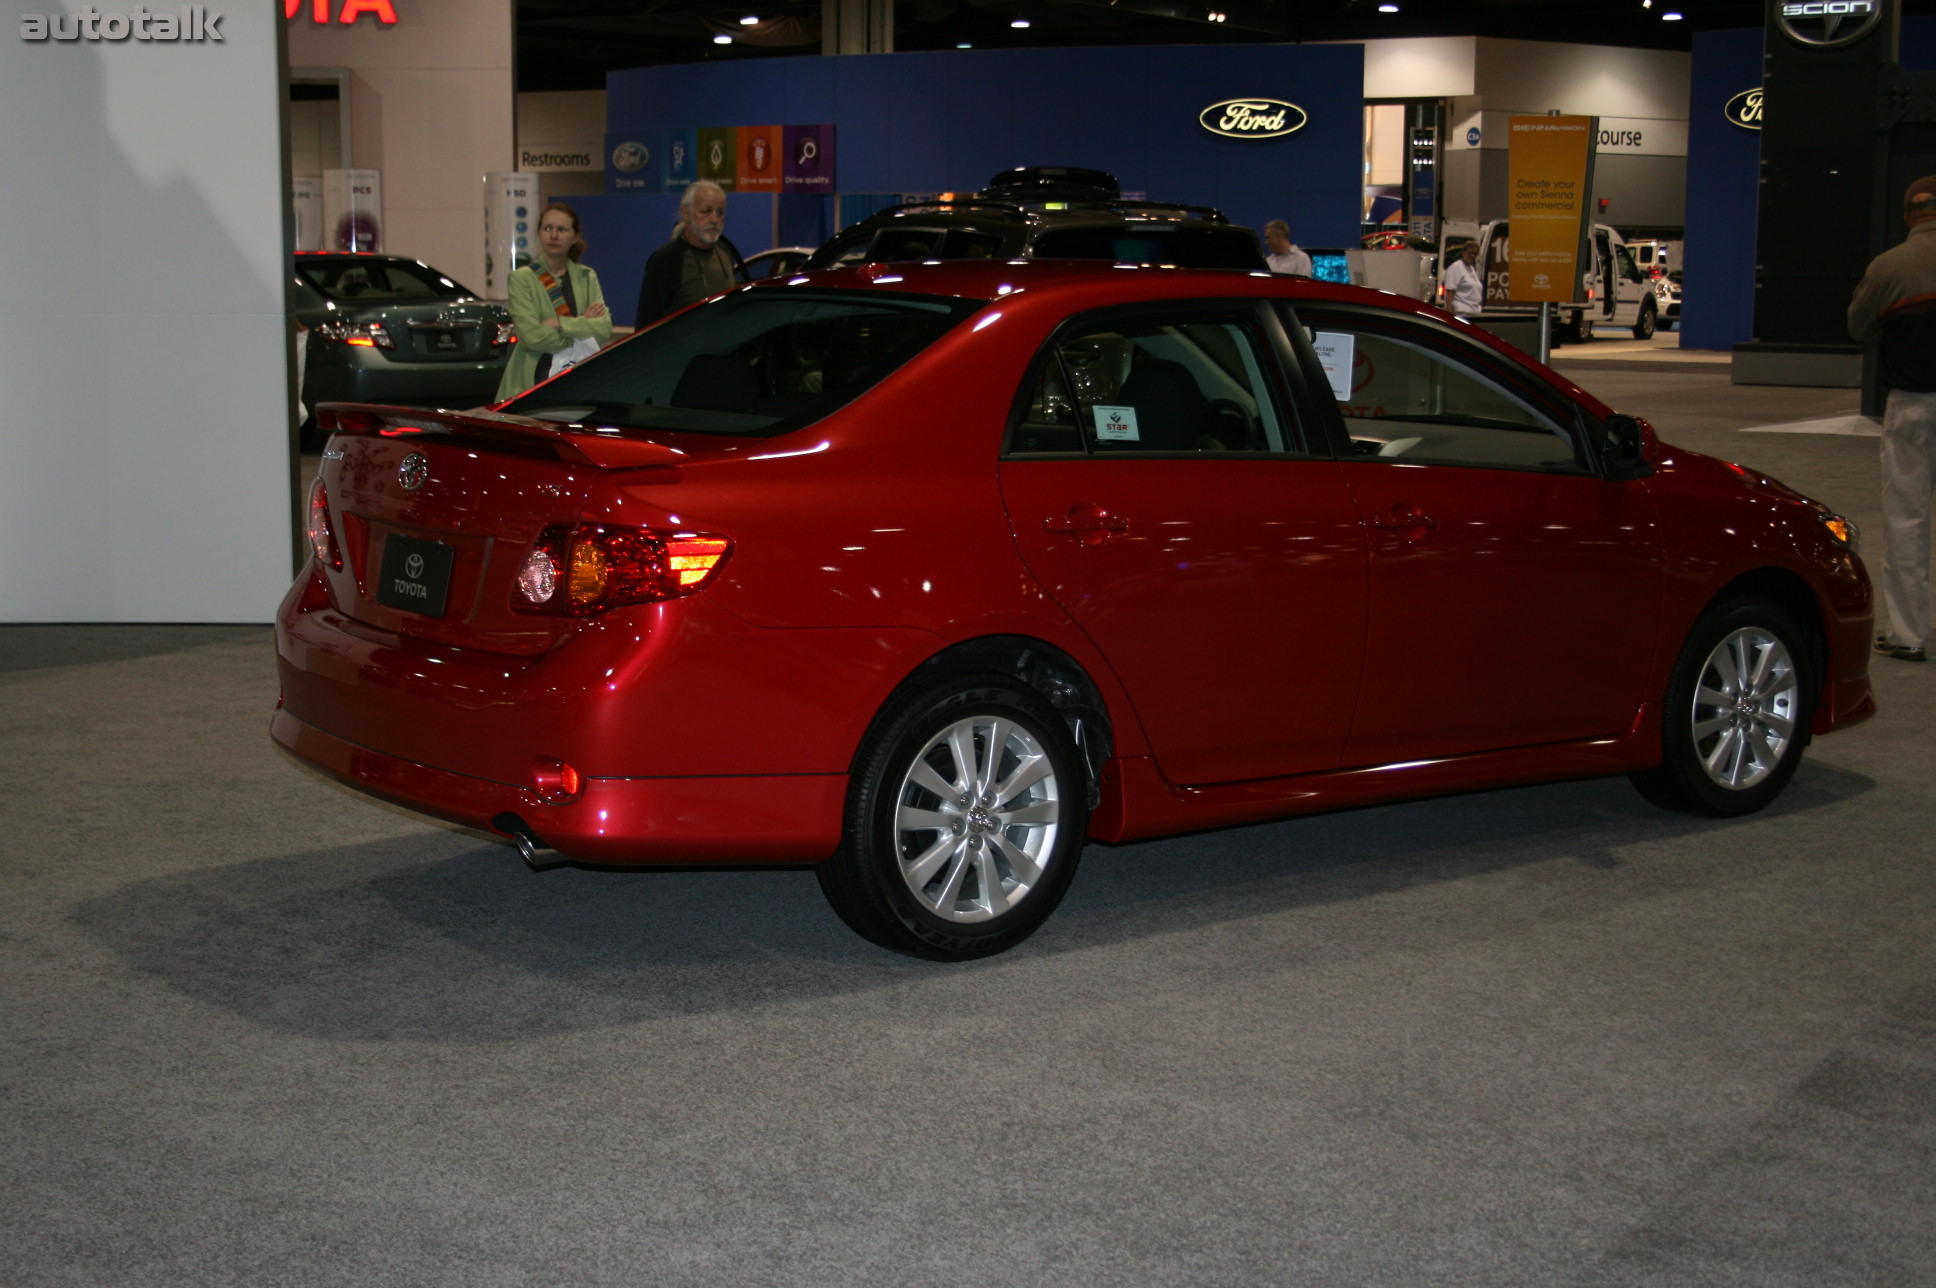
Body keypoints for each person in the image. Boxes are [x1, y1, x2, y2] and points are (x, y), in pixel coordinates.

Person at [1849, 175, 1936, 663]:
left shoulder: (1889, 265)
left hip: (1914, 403)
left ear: (1908, 216)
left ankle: (1907, 635)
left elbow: (1857, 325)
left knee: (1907, 517)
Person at [496, 202, 612, 400]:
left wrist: (560, 323)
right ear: (539, 233)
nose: (554, 235)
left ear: (575, 237)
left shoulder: (587, 276)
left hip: (576, 379)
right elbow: (531, 337)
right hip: (532, 381)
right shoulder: (521, 278)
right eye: (547, 228)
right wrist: (579, 329)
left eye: (562, 229)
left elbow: (603, 329)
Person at [635, 180, 744, 327]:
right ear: (685, 213)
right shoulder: (666, 260)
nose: (714, 219)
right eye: (706, 211)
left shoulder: (724, 253)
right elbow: (646, 325)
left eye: (720, 212)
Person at [1443, 240, 1485, 317]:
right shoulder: (1456, 267)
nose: (1472, 255)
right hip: (1462, 312)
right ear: (1463, 252)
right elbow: (1449, 291)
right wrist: (1448, 314)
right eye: (1470, 253)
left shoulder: (1472, 269)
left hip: (1474, 312)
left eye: (1475, 254)